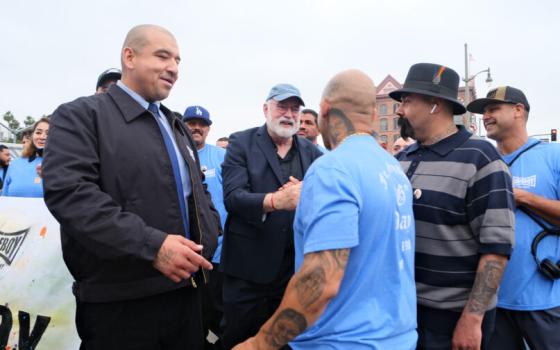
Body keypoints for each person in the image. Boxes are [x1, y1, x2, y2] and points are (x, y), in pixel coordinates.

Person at [42, 24, 220, 350]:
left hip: (187, 294)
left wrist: (210, 232)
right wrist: (153, 246)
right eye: (163, 56)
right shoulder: (80, 116)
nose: (174, 69)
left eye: (178, 61)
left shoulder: (177, 126)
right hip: (120, 305)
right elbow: (71, 195)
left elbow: (199, 193)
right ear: (130, 57)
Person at [234, 69, 417, 350]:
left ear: (324, 110)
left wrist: (258, 345)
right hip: (396, 337)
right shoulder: (392, 167)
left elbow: (320, 282)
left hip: (341, 340)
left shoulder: (333, 168)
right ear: (371, 114)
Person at [391, 63, 516, 349]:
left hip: (452, 320)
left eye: (407, 101)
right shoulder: (401, 160)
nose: (400, 110)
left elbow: (497, 249)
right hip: (404, 312)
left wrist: (472, 320)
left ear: (435, 104)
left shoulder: (482, 159)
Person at [220, 83, 323, 349]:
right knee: (240, 339)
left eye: (294, 108)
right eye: (282, 106)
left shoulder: (311, 152)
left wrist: (306, 195)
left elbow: (326, 198)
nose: (288, 114)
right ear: (266, 108)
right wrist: (277, 201)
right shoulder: (241, 142)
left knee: (285, 342)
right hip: (247, 273)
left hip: (292, 275)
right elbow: (233, 197)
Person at [467, 86, 560, 350]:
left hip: (545, 301)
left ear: (518, 110)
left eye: (493, 108)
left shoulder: (552, 156)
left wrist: (523, 197)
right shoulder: (481, 161)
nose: (486, 116)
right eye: (483, 111)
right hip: (492, 303)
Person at [183, 105, 227, 349]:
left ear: (209, 129)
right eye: (191, 122)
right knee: (191, 313)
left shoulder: (221, 157)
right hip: (186, 252)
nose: (197, 127)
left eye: (202, 124)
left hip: (219, 252)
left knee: (218, 310)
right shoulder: (177, 154)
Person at [2, 117, 49, 197]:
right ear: (32, 136)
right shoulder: (15, 163)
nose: (42, 137)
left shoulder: (60, 164)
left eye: (48, 133)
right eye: (38, 132)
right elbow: (4, 195)